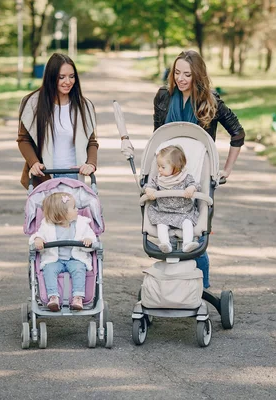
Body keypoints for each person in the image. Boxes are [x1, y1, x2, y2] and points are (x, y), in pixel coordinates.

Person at [124, 49, 246, 289]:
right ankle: (171, 287)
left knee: (196, 233)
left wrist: (227, 170)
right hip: (167, 175)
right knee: (165, 231)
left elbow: (237, 134)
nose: (180, 79)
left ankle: (201, 287)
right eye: (176, 72)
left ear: (197, 76)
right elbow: (158, 138)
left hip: (196, 177)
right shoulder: (163, 97)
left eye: (187, 74)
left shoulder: (210, 101)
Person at [17, 53, 98, 189]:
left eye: (72, 76)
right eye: (61, 77)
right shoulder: (33, 104)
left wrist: (91, 164)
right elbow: (23, 140)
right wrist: (34, 163)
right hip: (45, 176)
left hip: (74, 176)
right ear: (51, 77)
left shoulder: (83, 106)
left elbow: (91, 142)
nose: (68, 81)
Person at [29, 192, 97, 311]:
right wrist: (38, 239)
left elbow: (92, 238)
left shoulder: (82, 224)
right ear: (62, 214)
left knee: (79, 269)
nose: (77, 210)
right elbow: (38, 235)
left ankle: (78, 297)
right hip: (55, 259)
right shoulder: (47, 225)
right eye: (74, 208)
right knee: (49, 270)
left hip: (75, 258)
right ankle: (53, 296)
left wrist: (88, 240)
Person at [144, 145, 202, 254]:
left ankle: (187, 244)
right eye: (158, 166)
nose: (159, 169)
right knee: (161, 225)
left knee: (187, 223)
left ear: (176, 166)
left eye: (163, 167)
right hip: (163, 212)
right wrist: (149, 190)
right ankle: (165, 244)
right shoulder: (158, 179)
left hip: (183, 212)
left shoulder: (186, 178)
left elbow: (196, 185)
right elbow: (149, 185)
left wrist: (191, 188)